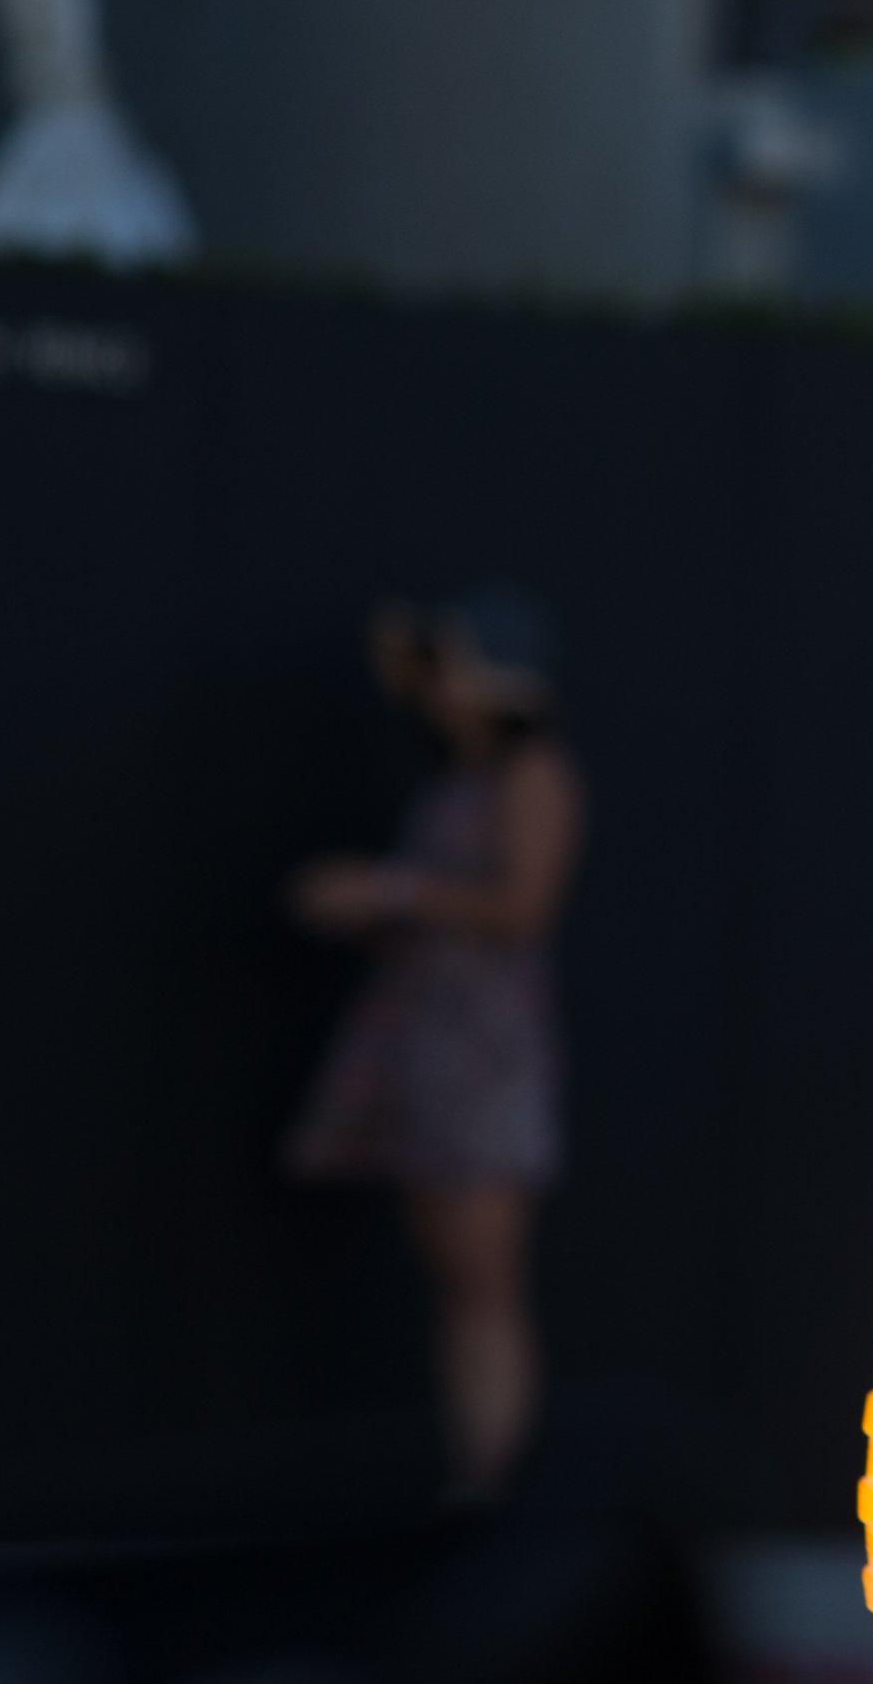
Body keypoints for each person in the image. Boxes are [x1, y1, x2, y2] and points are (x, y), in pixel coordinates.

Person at [285, 589, 586, 1498]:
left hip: (481, 1056)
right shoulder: (461, 776)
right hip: (426, 1041)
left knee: (482, 1286)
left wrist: (390, 894)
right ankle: (475, 1480)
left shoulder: (535, 776)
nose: (438, 687)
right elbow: (398, 659)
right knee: (453, 1285)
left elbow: (522, 909)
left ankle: (494, 1491)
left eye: (458, 665)